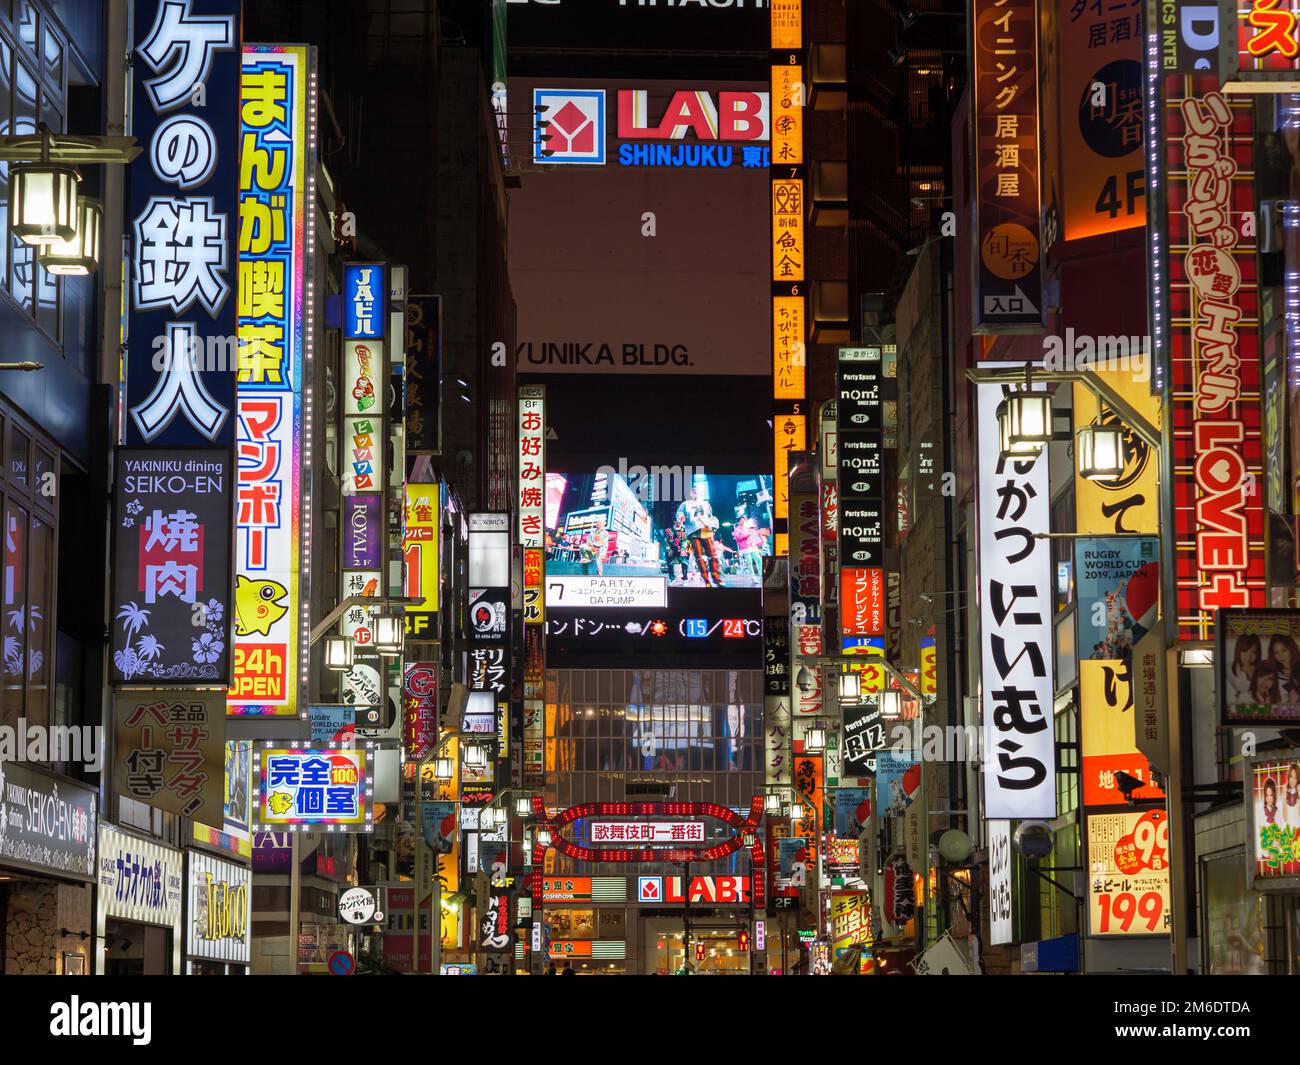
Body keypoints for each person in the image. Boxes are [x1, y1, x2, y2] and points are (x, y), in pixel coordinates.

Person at [675, 486, 723, 587]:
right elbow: (679, 514)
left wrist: (713, 526)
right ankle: (706, 580)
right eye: (693, 491)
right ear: (690, 493)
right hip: (693, 532)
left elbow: (711, 516)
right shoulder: (685, 504)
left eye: (697, 491)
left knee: (713, 555)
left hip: (706, 531)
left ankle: (716, 578)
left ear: (700, 493)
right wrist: (681, 518)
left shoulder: (706, 504)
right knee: (698, 557)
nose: (695, 492)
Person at [1226, 634, 1261, 707]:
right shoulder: (1229, 669)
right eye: (1245, 651)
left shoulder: (1262, 668)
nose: (1248, 657)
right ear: (1238, 650)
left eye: (1253, 652)